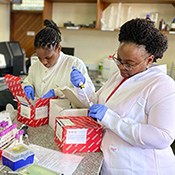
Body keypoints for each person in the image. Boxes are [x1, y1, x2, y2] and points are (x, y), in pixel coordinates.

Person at [70, 18, 175, 175]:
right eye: (118, 59)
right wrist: (82, 86)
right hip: (110, 163)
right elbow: (96, 103)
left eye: (129, 63)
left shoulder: (162, 85)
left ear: (149, 59)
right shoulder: (118, 76)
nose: (121, 66)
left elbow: (162, 137)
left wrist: (111, 118)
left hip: (143, 169)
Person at [22, 19, 95, 101]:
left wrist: (57, 92)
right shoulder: (35, 66)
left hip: (64, 112)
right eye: (40, 57)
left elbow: (89, 96)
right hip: (40, 112)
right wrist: (27, 86)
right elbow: (29, 81)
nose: (43, 62)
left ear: (58, 49)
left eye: (48, 58)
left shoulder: (74, 64)